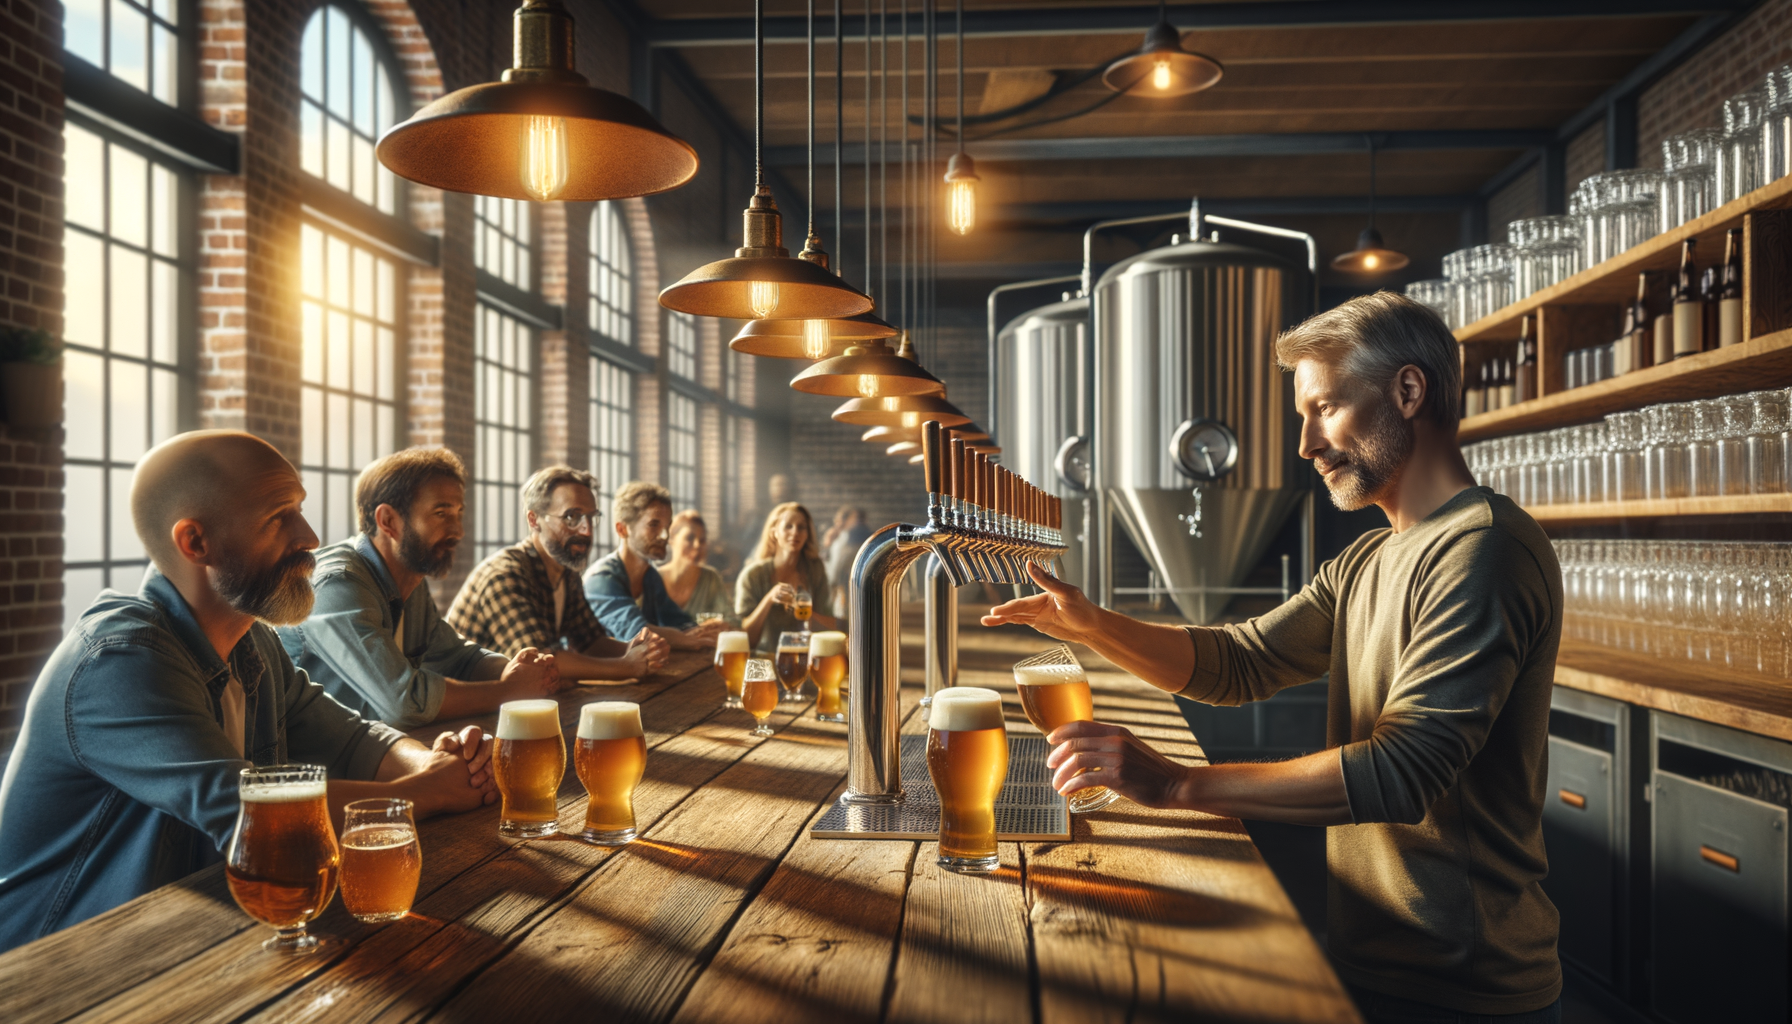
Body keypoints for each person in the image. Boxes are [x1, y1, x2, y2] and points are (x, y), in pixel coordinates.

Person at [984, 292, 1564, 1023]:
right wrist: (1093, 625)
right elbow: (1241, 663)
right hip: (1378, 956)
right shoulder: (1370, 559)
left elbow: (1405, 769)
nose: (1305, 444)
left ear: (1408, 392)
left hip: (1461, 983)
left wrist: (1176, 787)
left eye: (1323, 408)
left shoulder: (1483, 548)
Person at [0, 431, 497, 954]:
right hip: (56, 969)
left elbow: (352, 737)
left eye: (301, 510)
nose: (309, 536)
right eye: (279, 516)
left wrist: (429, 762)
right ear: (196, 543)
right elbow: (257, 816)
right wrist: (428, 792)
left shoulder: (251, 638)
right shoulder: (119, 659)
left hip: (189, 941)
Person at [279, 448, 569, 729]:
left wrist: (517, 669)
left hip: (375, 753)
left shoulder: (409, 578)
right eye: (441, 513)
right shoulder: (337, 585)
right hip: (307, 769)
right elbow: (404, 702)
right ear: (388, 521)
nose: (458, 531)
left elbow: (457, 657)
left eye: (458, 513)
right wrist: (510, 691)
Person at [445, 466, 669, 682]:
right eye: (572, 517)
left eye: (591, 517)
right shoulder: (503, 575)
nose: (587, 530)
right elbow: (540, 661)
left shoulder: (566, 572)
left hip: (515, 702)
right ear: (534, 520)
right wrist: (626, 666)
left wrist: (636, 649)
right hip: (462, 711)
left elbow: (591, 641)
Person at [582, 481, 723, 650]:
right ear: (622, 530)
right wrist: (686, 639)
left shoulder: (650, 577)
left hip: (637, 671)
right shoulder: (601, 579)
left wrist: (704, 631)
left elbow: (680, 623)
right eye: (653, 525)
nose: (664, 535)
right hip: (597, 675)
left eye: (667, 526)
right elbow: (635, 633)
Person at [735, 501, 837, 652]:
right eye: (788, 526)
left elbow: (831, 625)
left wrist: (804, 613)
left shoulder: (815, 569)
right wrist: (769, 599)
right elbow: (745, 641)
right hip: (763, 663)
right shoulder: (752, 575)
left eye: (801, 527)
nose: (795, 532)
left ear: (807, 533)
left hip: (807, 658)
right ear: (774, 532)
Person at [660, 510, 733, 624]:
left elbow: (732, 620)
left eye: (702, 540)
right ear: (672, 538)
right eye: (689, 538)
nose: (697, 545)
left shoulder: (711, 578)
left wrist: (718, 624)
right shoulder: (652, 578)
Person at [821, 505, 870, 618]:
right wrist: (827, 545)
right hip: (835, 587)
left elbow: (838, 569)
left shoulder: (851, 538)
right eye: (837, 520)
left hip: (845, 588)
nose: (837, 524)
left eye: (840, 520)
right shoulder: (838, 537)